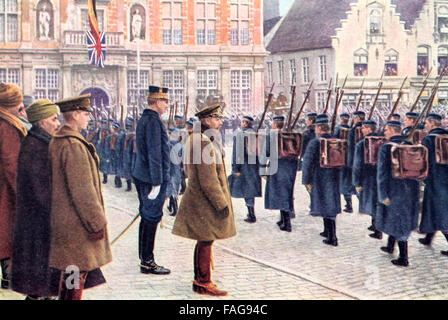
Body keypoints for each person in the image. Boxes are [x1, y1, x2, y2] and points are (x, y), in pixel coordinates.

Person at [49, 94, 111, 299]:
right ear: (75, 115)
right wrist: (96, 222)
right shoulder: (73, 145)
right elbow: (83, 191)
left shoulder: (60, 140)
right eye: (85, 114)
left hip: (66, 221)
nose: (88, 118)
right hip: (78, 225)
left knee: (71, 272)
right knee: (76, 272)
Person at [172, 102, 236, 296]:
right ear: (206, 120)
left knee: (204, 240)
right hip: (205, 200)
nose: (220, 123)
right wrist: (221, 203)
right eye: (217, 119)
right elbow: (209, 180)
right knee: (206, 240)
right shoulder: (204, 142)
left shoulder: (197, 138)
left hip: (198, 197)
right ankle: (203, 281)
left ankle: (201, 279)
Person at [11, 99, 62, 300]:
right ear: (42, 122)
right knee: (38, 284)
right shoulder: (35, 146)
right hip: (38, 224)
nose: (58, 124)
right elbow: (40, 190)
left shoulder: (41, 142)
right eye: (54, 119)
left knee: (43, 284)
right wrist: (57, 213)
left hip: (38, 223)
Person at [132, 85, 171, 275]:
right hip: (151, 179)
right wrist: (157, 182)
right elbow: (155, 154)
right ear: (155, 102)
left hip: (145, 176)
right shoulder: (153, 121)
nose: (166, 105)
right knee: (151, 218)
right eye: (164, 101)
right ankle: (147, 261)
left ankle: (145, 259)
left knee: (147, 217)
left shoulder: (146, 119)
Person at [376, 120, 420, 267]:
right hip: (410, 190)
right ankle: (390, 246)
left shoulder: (385, 148)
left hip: (393, 190)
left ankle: (404, 258)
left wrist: (382, 195)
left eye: (387, 130)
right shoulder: (410, 145)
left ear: (394, 130)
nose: (385, 132)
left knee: (398, 221)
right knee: (397, 218)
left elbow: (381, 174)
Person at [0, 83, 27, 289]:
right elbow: (12, 164)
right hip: (6, 190)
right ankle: (9, 276)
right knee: (8, 233)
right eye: (18, 101)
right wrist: (23, 193)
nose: (21, 105)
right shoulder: (7, 126)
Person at [302, 116, 341, 246]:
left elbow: (307, 163)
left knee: (325, 204)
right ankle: (327, 231)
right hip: (333, 177)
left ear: (318, 128)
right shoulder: (336, 140)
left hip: (319, 177)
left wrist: (306, 180)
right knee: (330, 204)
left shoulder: (314, 142)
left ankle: (332, 237)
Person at [418, 113, 448, 254]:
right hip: (445, 180)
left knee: (439, 211)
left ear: (431, 123)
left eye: (426, 123)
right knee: (434, 210)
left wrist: (423, 177)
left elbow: (424, 162)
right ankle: (428, 238)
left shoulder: (428, 139)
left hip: (435, 181)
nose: (425, 125)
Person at [262, 116, 298, 232]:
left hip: (276, 168)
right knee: (286, 193)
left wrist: (263, 169)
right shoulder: (290, 135)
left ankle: (287, 224)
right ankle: (283, 220)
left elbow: (265, 153)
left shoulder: (272, 135)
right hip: (289, 168)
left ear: (274, 124)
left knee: (280, 194)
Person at [229, 115, 262, 223]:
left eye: (243, 122)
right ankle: (251, 212)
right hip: (255, 167)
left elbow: (236, 153)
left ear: (245, 123)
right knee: (251, 189)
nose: (241, 124)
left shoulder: (240, 135)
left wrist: (235, 168)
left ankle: (251, 214)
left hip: (244, 166)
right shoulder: (257, 134)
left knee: (245, 189)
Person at [352, 120, 382, 240]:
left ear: (370, 129)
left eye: (364, 128)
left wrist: (356, 182)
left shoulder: (361, 144)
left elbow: (357, 165)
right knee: (376, 201)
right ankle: (375, 225)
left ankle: (377, 230)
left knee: (371, 201)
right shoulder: (383, 140)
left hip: (368, 177)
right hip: (379, 176)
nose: (362, 130)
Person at [334, 113, 355, 213]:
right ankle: (349, 203)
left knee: (342, 182)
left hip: (341, 157)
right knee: (347, 181)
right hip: (349, 158)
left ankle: (348, 204)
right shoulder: (351, 129)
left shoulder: (339, 129)